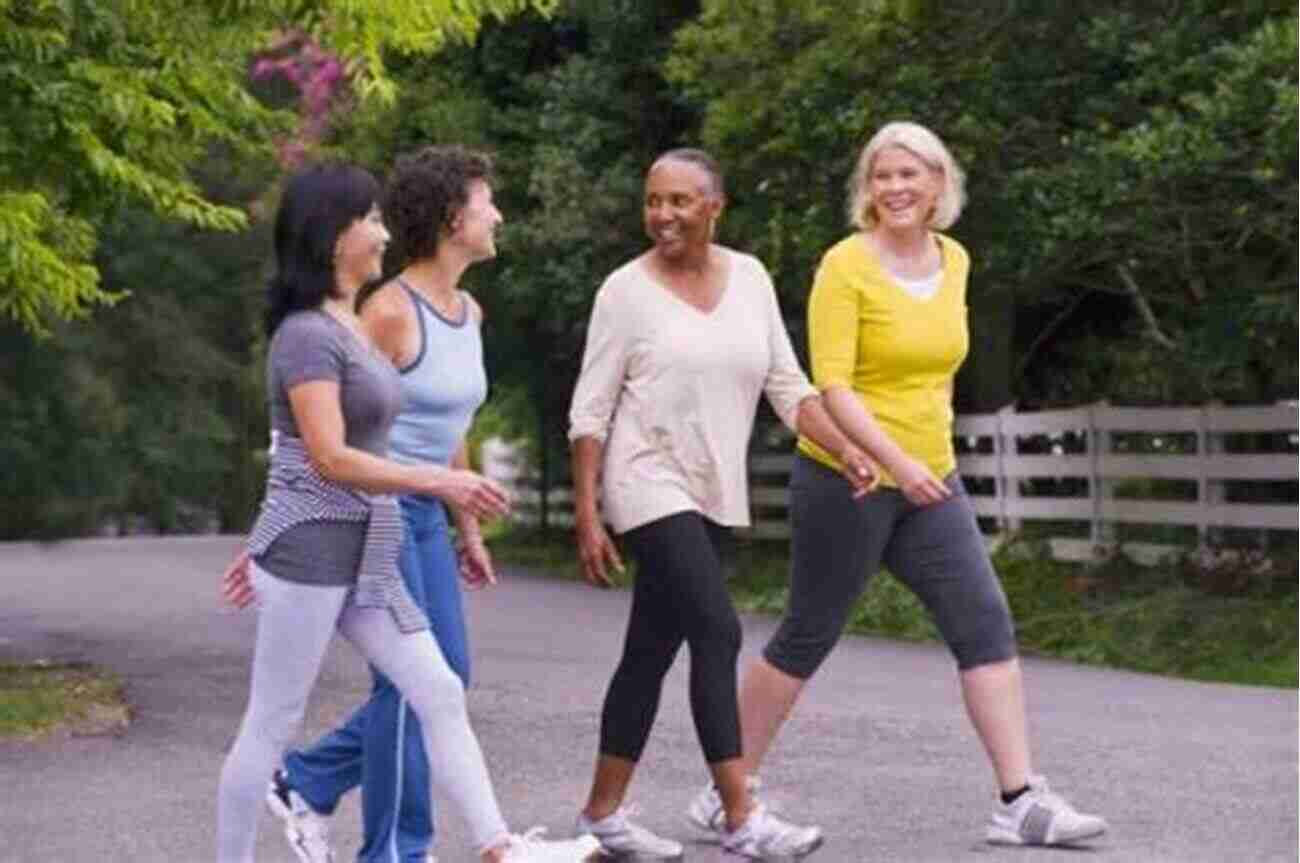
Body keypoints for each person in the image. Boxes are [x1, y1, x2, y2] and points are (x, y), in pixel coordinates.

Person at [684, 121, 1109, 849]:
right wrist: (894, 462)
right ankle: (727, 789)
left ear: (940, 184)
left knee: (984, 621)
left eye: (911, 174)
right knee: (808, 632)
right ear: (867, 189)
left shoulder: (956, 260)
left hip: (929, 480)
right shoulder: (845, 266)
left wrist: (924, 461)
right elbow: (835, 387)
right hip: (846, 479)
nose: (896, 188)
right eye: (882, 176)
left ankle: (1020, 799)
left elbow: (935, 373)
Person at [215, 162, 599, 863]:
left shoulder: (347, 326)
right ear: (336, 236)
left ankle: (498, 847)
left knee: (439, 687)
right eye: (372, 219)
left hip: (367, 543)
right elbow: (325, 455)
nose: (386, 232)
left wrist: (455, 509)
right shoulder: (307, 334)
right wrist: (442, 485)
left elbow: (346, 441)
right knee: (270, 724)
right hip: (310, 554)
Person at [566, 148, 877, 861]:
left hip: (712, 487)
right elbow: (591, 410)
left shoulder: (751, 278)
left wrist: (847, 449)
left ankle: (600, 814)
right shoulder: (624, 290)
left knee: (648, 650)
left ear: (715, 207)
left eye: (679, 201)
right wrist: (589, 512)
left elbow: (789, 387)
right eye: (653, 201)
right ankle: (741, 815)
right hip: (645, 479)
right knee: (718, 629)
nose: (662, 215)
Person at [260, 145, 507, 863]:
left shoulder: (470, 311)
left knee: (445, 678)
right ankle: (395, 848)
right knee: (411, 683)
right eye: (487, 202)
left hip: (430, 510)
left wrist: (468, 525)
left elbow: (449, 426)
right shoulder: (388, 312)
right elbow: (342, 425)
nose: (497, 215)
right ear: (455, 218)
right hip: (380, 512)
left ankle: (307, 778)